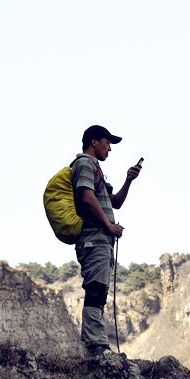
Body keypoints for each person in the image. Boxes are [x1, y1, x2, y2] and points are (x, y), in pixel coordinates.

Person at [71, 124, 142, 356]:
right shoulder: (84, 164)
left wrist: (129, 180)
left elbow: (115, 202)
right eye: (107, 142)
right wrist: (109, 225)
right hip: (93, 239)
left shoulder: (96, 169)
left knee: (99, 289)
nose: (109, 148)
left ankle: (97, 343)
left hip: (101, 241)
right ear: (94, 142)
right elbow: (87, 197)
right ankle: (95, 344)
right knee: (95, 289)